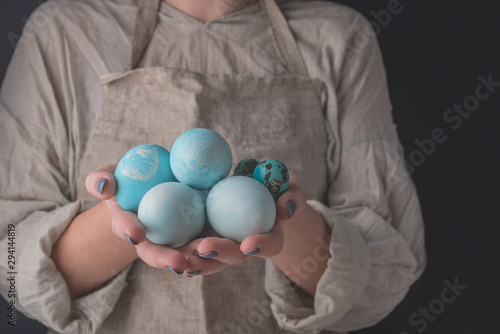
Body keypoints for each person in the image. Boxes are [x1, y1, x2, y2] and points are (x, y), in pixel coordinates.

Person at [0, 0, 426, 333]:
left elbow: (381, 284)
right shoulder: (63, 32)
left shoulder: (340, 37)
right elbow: (11, 269)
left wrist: (284, 221)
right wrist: (124, 218)